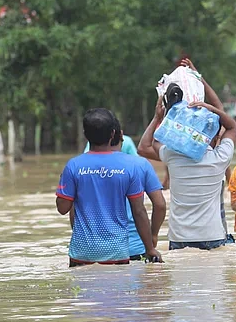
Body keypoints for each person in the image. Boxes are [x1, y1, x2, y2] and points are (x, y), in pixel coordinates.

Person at [138, 60, 236, 251]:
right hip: (212, 237)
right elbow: (231, 125)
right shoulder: (219, 158)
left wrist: (158, 117)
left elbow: (144, 146)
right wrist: (208, 104)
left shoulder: (173, 156)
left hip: (179, 239)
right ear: (216, 135)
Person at [56, 108, 162, 266]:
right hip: (117, 252)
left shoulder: (73, 166)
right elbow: (139, 211)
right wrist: (150, 248)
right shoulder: (128, 167)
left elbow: (63, 208)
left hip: (82, 253)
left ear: (85, 135)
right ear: (113, 134)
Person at [78, 116, 166, 260]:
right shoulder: (140, 165)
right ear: (119, 135)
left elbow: (72, 209)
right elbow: (160, 205)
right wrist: (152, 237)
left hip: (91, 249)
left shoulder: (78, 167)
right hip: (135, 247)